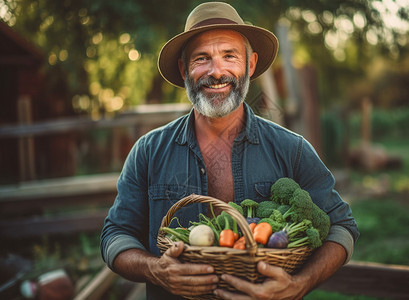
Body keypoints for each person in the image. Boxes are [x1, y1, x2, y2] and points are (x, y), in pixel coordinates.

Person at [100, 2, 359, 299]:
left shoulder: (291, 149)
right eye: (202, 58)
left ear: (249, 64)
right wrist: (155, 269)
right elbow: (114, 235)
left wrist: (299, 285)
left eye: (229, 55)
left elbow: (342, 227)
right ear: (184, 69)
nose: (217, 71)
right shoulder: (148, 152)